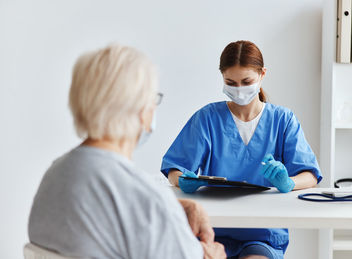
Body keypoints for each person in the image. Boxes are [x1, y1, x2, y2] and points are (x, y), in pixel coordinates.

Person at [28, 44, 226, 259]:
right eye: (154, 99)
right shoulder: (147, 200)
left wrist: (175, 209)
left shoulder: (54, 176)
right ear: (142, 110)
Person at [161, 40, 323, 259]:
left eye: (246, 81)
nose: (238, 90)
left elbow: (310, 175)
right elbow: (174, 169)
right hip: (212, 232)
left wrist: (289, 182)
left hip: (262, 234)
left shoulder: (282, 120)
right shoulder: (207, 118)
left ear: (262, 74)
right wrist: (182, 180)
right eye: (231, 82)